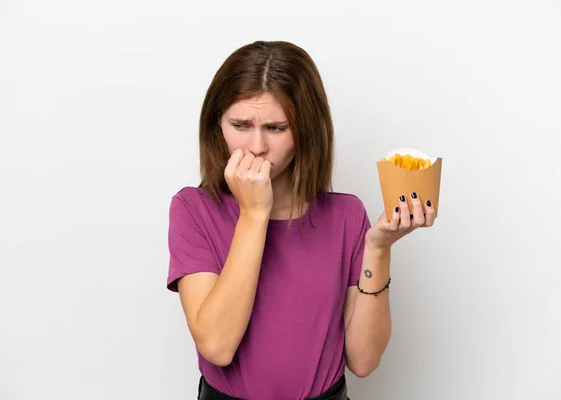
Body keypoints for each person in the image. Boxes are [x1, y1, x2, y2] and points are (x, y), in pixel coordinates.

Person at [166, 40, 437, 400]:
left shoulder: (345, 215)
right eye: (241, 125)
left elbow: (364, 361)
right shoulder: (194, 209)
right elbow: (217, 346)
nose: (257, 146)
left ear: (306, 130)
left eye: (277, 128)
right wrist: (254, 212)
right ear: (217, 125)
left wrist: (379, 248)